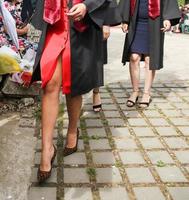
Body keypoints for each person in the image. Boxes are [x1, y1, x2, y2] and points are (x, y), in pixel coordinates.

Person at [30, 0, 121, 182]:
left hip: (82, 24)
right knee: (50, 83)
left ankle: (72, 130)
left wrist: (88, 6)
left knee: (75, 83)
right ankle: (46, 149)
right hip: (53, 21)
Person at [119, 0, 180, 108]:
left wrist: (168, 18)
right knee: (134, 57)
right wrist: (125, 19)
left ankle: (146, 93)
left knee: (149, 59)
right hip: (136, 21)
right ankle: (135, 91)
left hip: (155, 22)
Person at [92, 25, 110, 112]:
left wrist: (106, 24)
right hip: (73, 20)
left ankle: (96, 92)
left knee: (97, 61)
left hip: (96, 21)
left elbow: (108, 10)